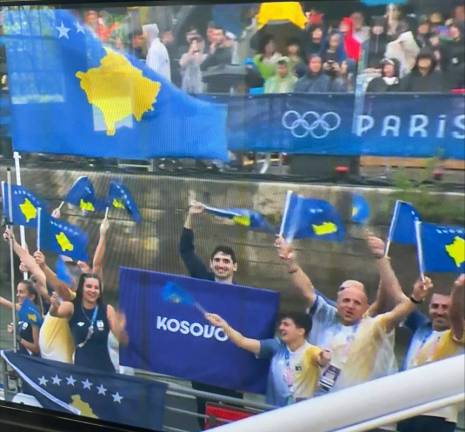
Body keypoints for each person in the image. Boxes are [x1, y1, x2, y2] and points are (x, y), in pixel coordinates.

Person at [274, 235, 432, 393]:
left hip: (356, 403)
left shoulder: (373, 326)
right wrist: (290, 261)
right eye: (346, 300)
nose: (350, 306)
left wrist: (415, 298)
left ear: (366, 308)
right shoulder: (327, 318)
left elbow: (398, 310)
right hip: (318, 399)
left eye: (357, 303)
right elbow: (307, 290)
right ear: (337, 302)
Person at [179, 200, 241, 427]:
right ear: (211, 264)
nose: (221, 264)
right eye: (217, 260)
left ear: (235, 266)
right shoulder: (202, 280)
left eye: (226, 261)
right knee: (204, 415)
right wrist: (191, 216)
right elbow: (186, 250)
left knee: (233, 415)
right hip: (203, 366)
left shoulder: (246, 297)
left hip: (230, 367)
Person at [205, 311, 331, 406]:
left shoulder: (311, 351)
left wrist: (324, 357)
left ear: (301, 331)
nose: (281, 328)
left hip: (300, 415)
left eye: (286, 325)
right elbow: (242, 341)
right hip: (273, 414)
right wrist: (224, 325)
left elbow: (321, 359)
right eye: (281, 324)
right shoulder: (275, 346)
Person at [397, 274, 464, 432]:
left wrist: (458, 288)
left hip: (437, 414)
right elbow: (397, 298)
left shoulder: (458, 334)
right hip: (405, 410)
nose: (439, 312)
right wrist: (381, 259)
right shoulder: (421, 327)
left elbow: (456, 316)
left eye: (445, 307)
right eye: (435, 306)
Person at [49, 273, 127, 372]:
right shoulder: (72, 307)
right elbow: (55, 313)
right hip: (82, 373)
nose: (93, 290)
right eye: (89, 286)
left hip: (105, 372)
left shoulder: (107, 309)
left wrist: (121, 327)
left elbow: (121, 339)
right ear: (81, 288)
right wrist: (54, 306)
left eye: (96, 288)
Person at [0, 279, 42, 356]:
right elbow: (5, 303)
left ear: (32, 297)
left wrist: (16, 336)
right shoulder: (25, 311)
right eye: (17, 291)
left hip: (31, 361)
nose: (17, 295)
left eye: (21, 292)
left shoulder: (33, 315)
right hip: (23, 355)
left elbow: (36, 349)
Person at [440, 22, 465, 89]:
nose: (452, 30)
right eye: (451, 28)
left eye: (455, 28)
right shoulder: (445, 46)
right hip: (452, 80)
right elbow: (443, 64)